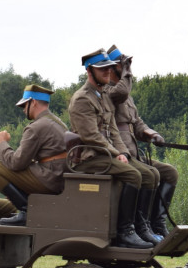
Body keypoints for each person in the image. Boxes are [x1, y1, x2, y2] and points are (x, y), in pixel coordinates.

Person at [67, 49, 159, 249]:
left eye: (109, 68)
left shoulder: (103, 96)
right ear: (89, 71)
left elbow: (114, 131)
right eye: (103, 69)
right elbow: (91, 136)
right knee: (133, 175)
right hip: (90, 157)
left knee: (151, 175)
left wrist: (123, 152)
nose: (108, 72)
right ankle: (125, 231)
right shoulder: (82, 98)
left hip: (107, 154)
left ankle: (141, 227)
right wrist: (116, 153)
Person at [107, 44, 179, 239]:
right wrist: (127, 71)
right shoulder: (108, 92)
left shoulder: (127, 97)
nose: (129, 69)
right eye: (124, 65)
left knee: (169, 172)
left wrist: (151, 134)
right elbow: (121, 92)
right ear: (113, 68)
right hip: (120, 153)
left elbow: (137, 122)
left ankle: (157, 224)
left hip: (134, 152)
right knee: (149, 175)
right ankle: (138, 227)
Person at [0, 84, 68, 226]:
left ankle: (27, 212)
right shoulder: (57, 122)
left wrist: (2, 143)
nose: (23, 110)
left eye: (25, 105)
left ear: (34, 102)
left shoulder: (36, 127)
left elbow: (16, 163)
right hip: (60, 177)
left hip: (50, 178)